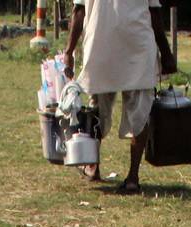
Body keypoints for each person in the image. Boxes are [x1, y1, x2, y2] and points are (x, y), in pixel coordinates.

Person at [62, 0, 176, 194]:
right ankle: (133, 177)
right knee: (139, 114)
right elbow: (154, 14)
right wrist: (166, 54)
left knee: (96, 110)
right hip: (137, 47)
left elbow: (78, 11)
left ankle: (92, 165)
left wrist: (69, 51)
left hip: (100, 47)